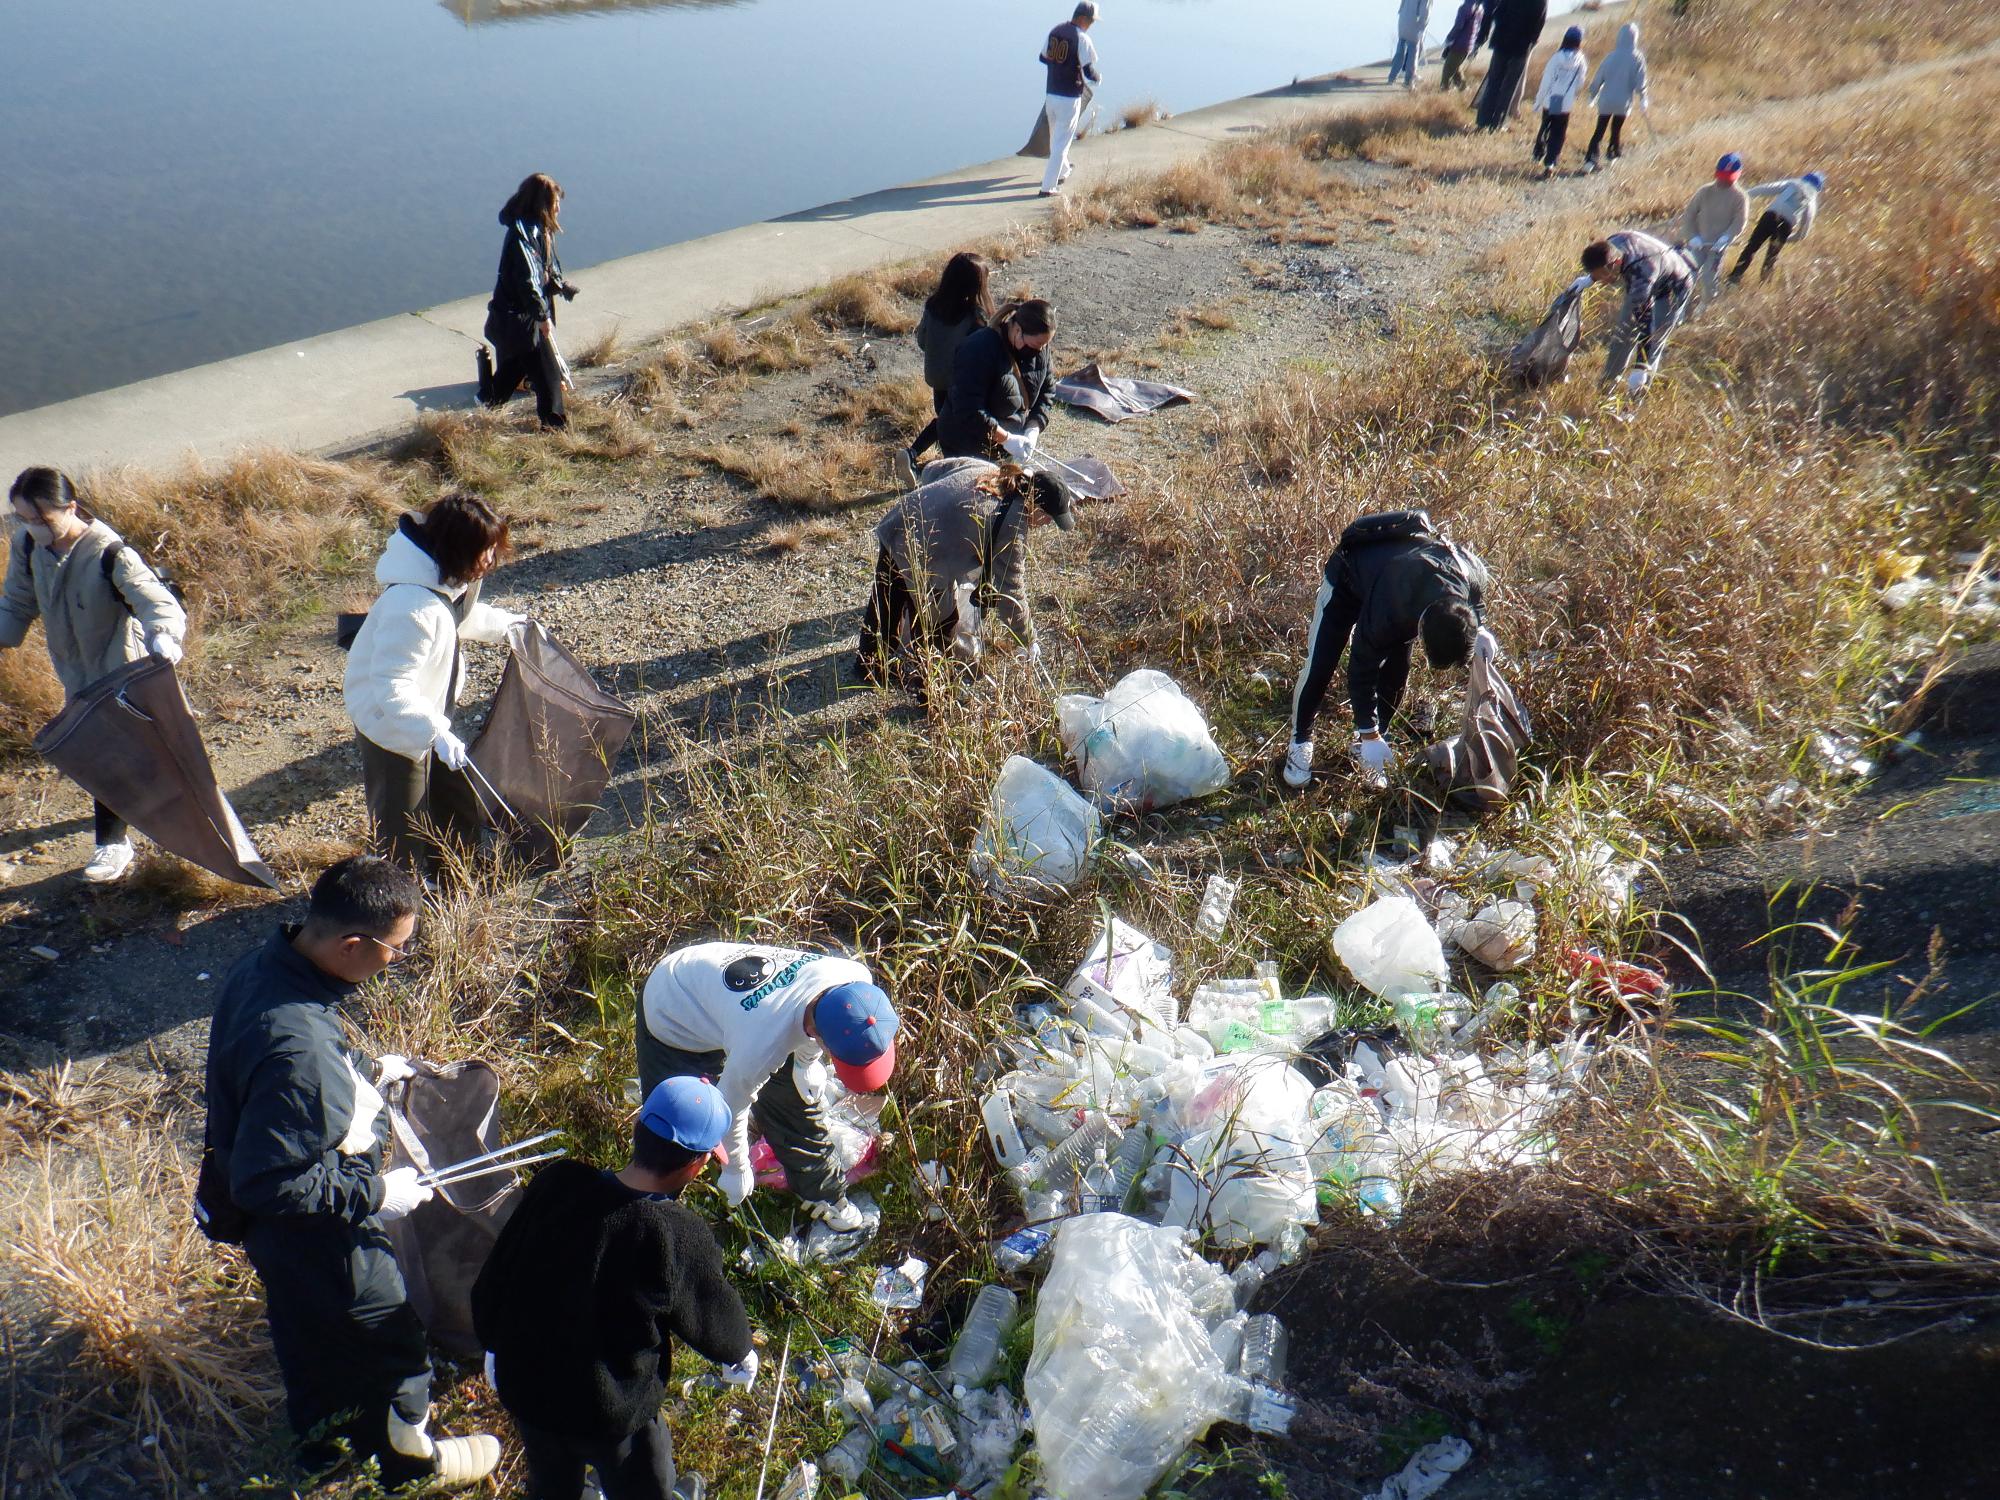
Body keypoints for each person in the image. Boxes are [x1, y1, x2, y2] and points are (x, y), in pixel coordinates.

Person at [201, 855, 500, 1487]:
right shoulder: (301, 1051)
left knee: (307, 1338)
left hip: (272, 1236)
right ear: (351, 943)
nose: (397, 961)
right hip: (315, 1236)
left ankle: (321, 1452)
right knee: (390, 1337)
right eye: (396, 949)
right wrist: (376, 1192)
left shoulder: (265, 968)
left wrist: (360, 1070)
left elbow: (271, 1090)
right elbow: (272, 1182)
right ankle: (407, 1460)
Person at [471, 1077, 757, 1500]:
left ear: (638, 1129)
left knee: (550, 1483)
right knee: (642, 1483)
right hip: (608, 1408)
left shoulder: (558, 1182)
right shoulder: (672, 1233)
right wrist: (739, 1351)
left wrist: (493, 1341)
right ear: (695, 1166)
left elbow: (499, 1268)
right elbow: (713, 1314)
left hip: (528, 1385)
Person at [635, 942, 899, 1238]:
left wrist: (805, 1063)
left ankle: (823, 1194)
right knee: (675, 1127)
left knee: (793, 1104)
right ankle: (647, 1216)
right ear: (819, 1034)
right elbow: (728, 1110)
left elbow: (808, 1016)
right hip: (674, 1009)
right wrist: (736, 1167)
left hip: (729, 1000)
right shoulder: (762, 1043)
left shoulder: (854, 978)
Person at [0, 466, 186, 884]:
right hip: (76, 672)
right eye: (24, 519)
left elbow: (155, 601)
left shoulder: (108, 552)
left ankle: (114, 842)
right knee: (114, 755)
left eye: (42, 519)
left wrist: (166, 637)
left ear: (71, 508)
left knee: (112, 755)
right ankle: (130, 824)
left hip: (123, 669)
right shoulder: (29, 548)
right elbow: (16, 603)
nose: (34, 528)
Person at [343, 493, 526, 873]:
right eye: (485, 551)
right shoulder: (411, 608)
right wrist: (435, 732)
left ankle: (460, 881)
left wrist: (512, 627)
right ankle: (399, 915)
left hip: (428, 718)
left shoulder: (440, 580)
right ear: (458, 549)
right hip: (392, 728)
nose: (491, 561)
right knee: (402, 828)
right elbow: (392, 688)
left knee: (455, 804)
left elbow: (458, 617)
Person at [1284, 510, 1491, 790]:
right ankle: (1300, 741)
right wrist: (1368, 732)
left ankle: (1373, 745)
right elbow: (1360, 668)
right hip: (1349, 577)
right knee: (1322, 663)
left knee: (1396, 671)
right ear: (1421, 627)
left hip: (1404, 589)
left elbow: (1476, 604)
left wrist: (1479, 630)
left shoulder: (1471, 574)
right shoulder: (1393, 603)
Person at [858, 458, 1077, 682]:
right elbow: (1011, 591)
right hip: (923, 552)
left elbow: (934, 469)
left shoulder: (991, 469)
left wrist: (939, 508)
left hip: (899, 520)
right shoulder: (1014, 523)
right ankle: (930, 693)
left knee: (886, 603)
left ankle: (868, 666)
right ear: (1035, 506)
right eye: (1049, 518)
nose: (1048, 524)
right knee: (939, 625)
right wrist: (1027, 639)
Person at [477, 173, 577, 431]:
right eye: (555, 202)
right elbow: (528, 280)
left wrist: (560, 286)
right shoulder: (525, 235)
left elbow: (544, 271)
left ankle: (486, 404)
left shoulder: (534, 229)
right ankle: (554, 424)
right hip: (522, 316)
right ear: (542, 203)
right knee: (548, 374)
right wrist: (542, 317)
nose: (558, 208)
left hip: (520, 315)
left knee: (516, 365)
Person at [893, 253, 996, 490]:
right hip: (961, 382)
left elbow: (921, 340)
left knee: (945, 420)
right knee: (952, 425)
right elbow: (981, 353)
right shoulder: (976, 315)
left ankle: (912, 455)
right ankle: (930, 460)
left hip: (936, 377)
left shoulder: (933, 305)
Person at [1578, 232, 1696, 395]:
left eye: (1603, 276)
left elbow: (1647, 327)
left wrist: (1640, 366)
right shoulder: (1613, 243)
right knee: (1623, 333)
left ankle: (1636, 398)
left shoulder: (1641, 276)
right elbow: (1603, 262)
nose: (1603, 282)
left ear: (1615, 263)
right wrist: (1591, 279)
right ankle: (1606, 391)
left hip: (1675, 285)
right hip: (1653, 269)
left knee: (1654, 342)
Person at [938, 300, 1058, 462]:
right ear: (1017, 330)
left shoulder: (1040, 349)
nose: (1042, 350)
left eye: (1046, 344)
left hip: (1005, 447)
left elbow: (1047, 391)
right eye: (1038, 344)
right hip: (968, 446)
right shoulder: (978, 349)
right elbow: (968, 408)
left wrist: (1034, 427)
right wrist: (1006, 438)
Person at [1037, 2, 1102, 197]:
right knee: (1061, 143)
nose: (1091, 25)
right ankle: (1048, 187)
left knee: (1055, 136)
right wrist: (1098, 78)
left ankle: (1063, 171)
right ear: (1082, 18)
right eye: (1091, 21)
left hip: (1051, 93)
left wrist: (1059, 64)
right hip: (1070, 96)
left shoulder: (1055, 30)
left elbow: (1042, 58)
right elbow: (1088, 70)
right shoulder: (1082, 38)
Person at [1680, 152, 1751, 306]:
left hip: (1717, 247)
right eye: (1722, 176)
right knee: (1687, 273)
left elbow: (1740, 222)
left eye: (1728, 177)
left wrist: (1726, 238)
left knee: (1708, 277)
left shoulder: (1740, 197)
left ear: (1738, 175)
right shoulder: (1704, 191)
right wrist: (1692, 236)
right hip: (1698, 243)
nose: (1724, 181)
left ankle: (1706, 305)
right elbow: (1689, 215)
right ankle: (1681, 307)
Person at [1730, 171, 1824, 284]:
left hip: (1769, 216)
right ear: (1817, 190)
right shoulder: (1811, 203)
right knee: (1771, 258)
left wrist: (1745, 194)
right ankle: (1764, 286)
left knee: (1751, 248)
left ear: (1803, 179)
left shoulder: (1793, 184)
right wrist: (1786, 239)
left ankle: (1733, 280)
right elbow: (1802, 234)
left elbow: (1767, 188)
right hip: (1785, 227)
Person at [1583, 22, 1648, 170]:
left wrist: (1592, 95)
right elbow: (1640, 81)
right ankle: (1613, 154)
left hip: (1605, 100)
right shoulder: (1638, 58)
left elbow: (1599, 78)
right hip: (1623, 102)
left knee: (1599, 129)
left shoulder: (1610, 57)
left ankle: (1590, 159)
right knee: (1616, 129)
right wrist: (1643, 98)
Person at [1474, 0, 1548, 130]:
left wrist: (1500, 28)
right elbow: (1539, 23)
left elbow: (1498, 13)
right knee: (1509, 86)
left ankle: (1482, 121)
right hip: (1521, 46)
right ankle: (1497, 124)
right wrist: (1532, 39)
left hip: (1501, 41)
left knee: (1493, 82)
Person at [1532, 27, 1588, 177]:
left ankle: (1539, 150)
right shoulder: (1581, 60)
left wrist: (1538, 101)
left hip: (1550, 100)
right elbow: (1581, 83)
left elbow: (1546, 81)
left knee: (1545, 126)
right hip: (1565, 103)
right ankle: (1550, 164)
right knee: (1558, 133)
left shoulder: (1556, 58)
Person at [1438, 0, 1484, 91]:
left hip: (1459, 44)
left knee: (1447, 69)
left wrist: (1449, 39)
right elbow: (1477, 28)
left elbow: (1458, 26)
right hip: (1468, 45)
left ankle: (1444, 91)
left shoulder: (1464, 8)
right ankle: (1464, 89)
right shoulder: (1479, 9)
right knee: (1456, 68)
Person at [1388, 0, 1434, 89]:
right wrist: (1422, 27)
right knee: (1413, 53)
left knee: (1400, 50)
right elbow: (1425, 12)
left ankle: (1392, 77)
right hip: (1414, 24)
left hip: (1403, 21)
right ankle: (1408, 80)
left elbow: (1402, 4)